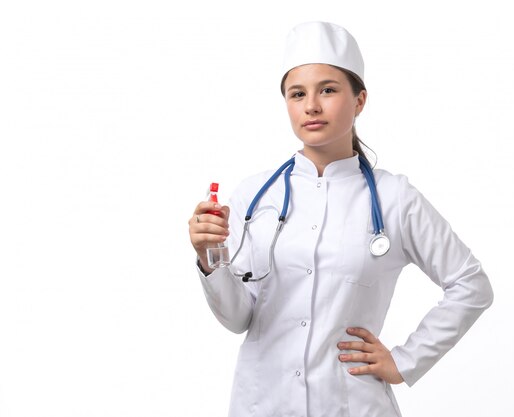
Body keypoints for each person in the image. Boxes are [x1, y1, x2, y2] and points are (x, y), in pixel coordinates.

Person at [188, 21, 494, 417]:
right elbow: (238, 318)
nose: (311, 106)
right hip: (263, 403)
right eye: (297, 94)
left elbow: (471, 284)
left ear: (360, 100)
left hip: (353, 405)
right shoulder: (252, 196)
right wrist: (209, 256)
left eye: (327, 90)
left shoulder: (394, 198)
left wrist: (405, 360)